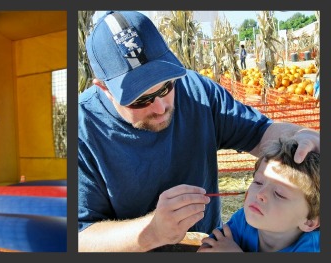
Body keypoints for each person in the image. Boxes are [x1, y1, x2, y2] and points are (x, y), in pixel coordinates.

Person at [77, 11, 320, 252]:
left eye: (166, 87)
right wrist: (152, 232)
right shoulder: (81, 130)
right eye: (140, 100)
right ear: (103, 88)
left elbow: (259, 133)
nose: (161, 108)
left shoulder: (196, 90)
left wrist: (299, 136)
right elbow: (78, 237)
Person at [198, 137, 319, 252]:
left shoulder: (312, 249)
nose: (260, 194)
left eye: (279, 194)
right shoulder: (243, 219)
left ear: (309, 221)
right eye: (258, 182)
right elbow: (212, 244)